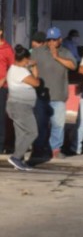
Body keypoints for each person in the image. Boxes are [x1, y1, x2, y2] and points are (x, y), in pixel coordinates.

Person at [31, 27, 76, 159]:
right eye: (49, 40)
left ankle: (55, 148)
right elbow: (29, 66)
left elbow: (73, 66)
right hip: (41, 96)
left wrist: (57, 57)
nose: (51, 42)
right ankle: (39, 148)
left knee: (58, 124)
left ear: (60, 40)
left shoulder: (65, 52)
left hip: (58, 96)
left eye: (54, 40)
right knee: (41, 124)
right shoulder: (37, 52)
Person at [6, 45, 40, 171]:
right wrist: (34, 66)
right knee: (32, 132)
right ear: (25, 59)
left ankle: (19, 161)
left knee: (21, 135)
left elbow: (35, 78)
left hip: (19, 106)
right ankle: (16, 157)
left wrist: (33, 67)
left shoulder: (16, 68)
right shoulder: (19, 71)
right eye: (28, 60)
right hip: (20, 106)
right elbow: (36, 82)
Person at [0, 26, 15, 154]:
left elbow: (12, 68)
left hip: (2, 88)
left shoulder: (7, 49)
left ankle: (0, 145)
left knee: (0, 117)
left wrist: (4, 80)